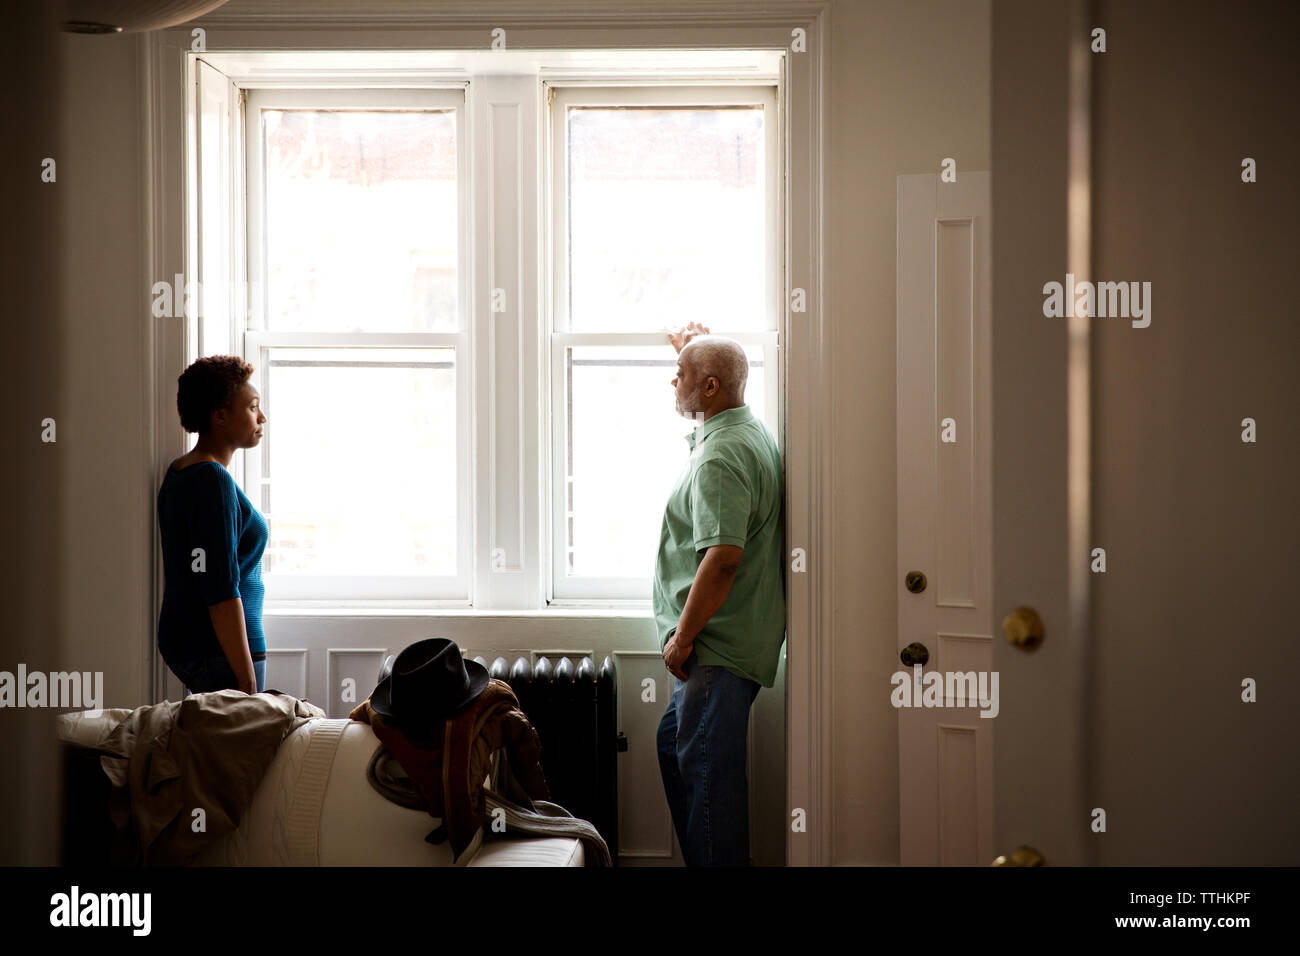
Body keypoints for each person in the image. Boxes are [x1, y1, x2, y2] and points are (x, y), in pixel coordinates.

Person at [654, 322, 786, 866]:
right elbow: (713, 369)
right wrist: (691, 352)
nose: (672, 382)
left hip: (713, 650)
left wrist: (682, 640)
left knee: (711, 794)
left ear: (710, 388)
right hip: (726, 648)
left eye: (680, 375)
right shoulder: (741, 429)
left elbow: (724, 557)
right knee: (675, 749)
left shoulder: (721, 456)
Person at [157, 355, 269, 696]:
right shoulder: (211, 480)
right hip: (222, 653)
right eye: (252, 407)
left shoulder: (181, 472)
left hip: (204, 648)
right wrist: (246, 678)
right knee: (238, 749)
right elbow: (219, 587)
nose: (261, 417)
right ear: (219, 416)